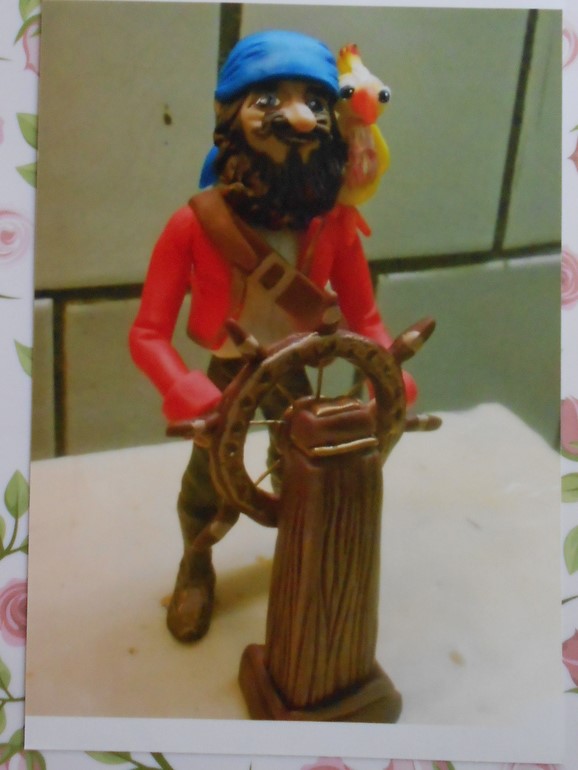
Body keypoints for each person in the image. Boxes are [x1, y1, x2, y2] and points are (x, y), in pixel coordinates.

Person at [129, 29, 416, 643]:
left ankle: (302, 551)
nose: (299, 118)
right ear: (231, 115)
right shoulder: (193, 226)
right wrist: (181, 387)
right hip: (228, 372)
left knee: (305, 469)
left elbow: (365, 319)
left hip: (297, 366)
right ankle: (197, 561)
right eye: (269, 101)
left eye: (314, 103)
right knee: (207, 481)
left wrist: (389, 367)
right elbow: (147, 332)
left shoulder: (335, 227)